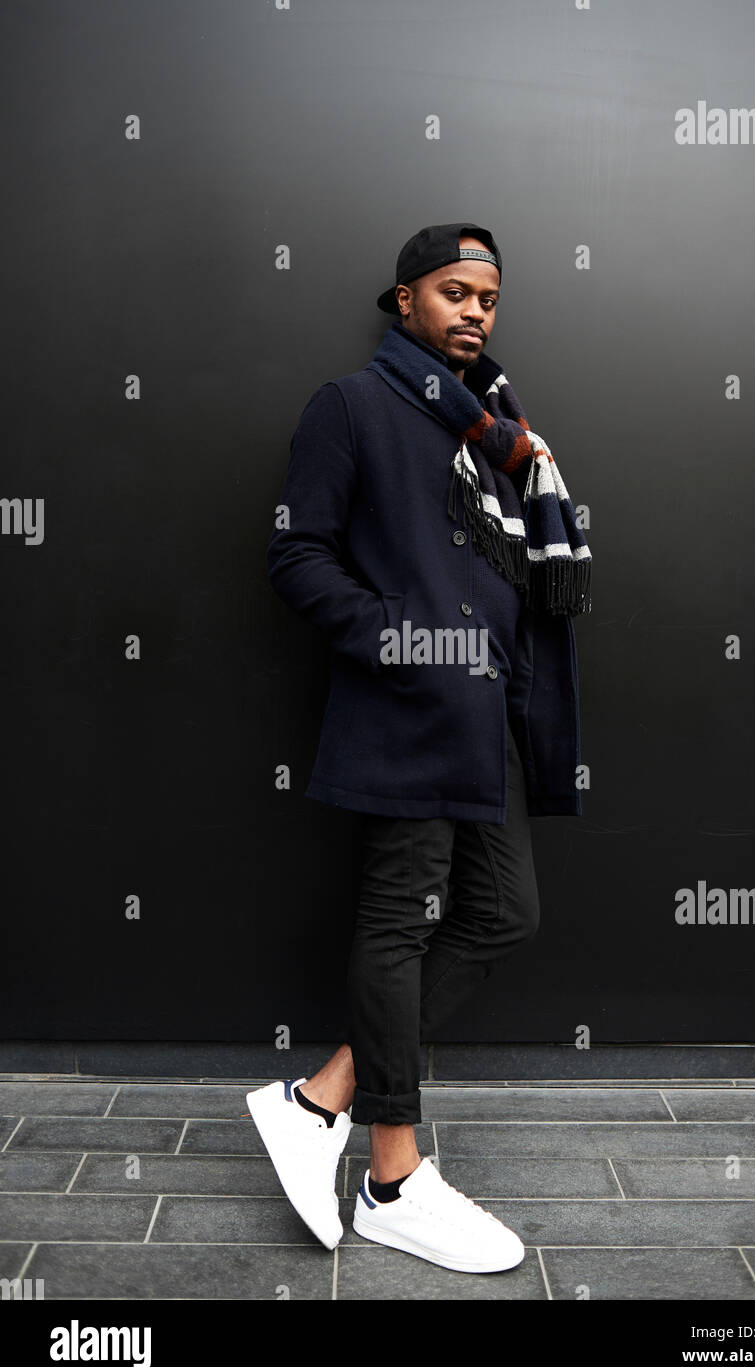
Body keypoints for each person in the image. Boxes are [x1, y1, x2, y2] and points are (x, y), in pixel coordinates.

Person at [248, 222, 592, 1274]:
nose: (475, 310)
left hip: (489, 718)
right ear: (404, 303)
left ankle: (319, 1100)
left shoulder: (503, 433)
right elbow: (295, 553)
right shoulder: (350, 406)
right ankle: (393, 1176)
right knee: (399, 920)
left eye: (488, 296)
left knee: (503, 912)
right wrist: (398, 641)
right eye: (453, 291)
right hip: (406, 710)